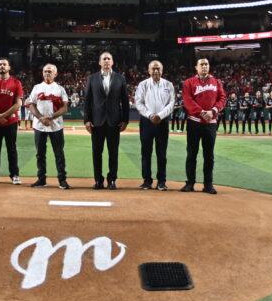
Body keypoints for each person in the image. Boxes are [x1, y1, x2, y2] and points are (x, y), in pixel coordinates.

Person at [82, 51, 130, 189]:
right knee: (96, 153)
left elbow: (125, 102)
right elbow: (87, 101)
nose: (107, 61)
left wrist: (125, 120)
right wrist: (87, 120)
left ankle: (112, 179)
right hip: (97, 122)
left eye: (109, 58)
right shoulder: (92, 78)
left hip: (114, 122)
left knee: (113, 153)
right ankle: (98, 180)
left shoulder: (120, 78)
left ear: (113, 62)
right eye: (104, 59)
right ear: (99, 62)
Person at [181, 57, 226, 194]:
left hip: (210, 123)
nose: (204, 66)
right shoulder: (189, 82)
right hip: (194, 122)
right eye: (202, 64)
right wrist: (201, 112)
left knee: (209, 155)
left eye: (206, 64)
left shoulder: (216, 82)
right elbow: (187, 101)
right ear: (196, 67)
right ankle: (190, 183)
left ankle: (208, 184)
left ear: (209, 66)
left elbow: (222, 98)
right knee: (191, 154)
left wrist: (213, 111)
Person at [26, 63, 70, 189]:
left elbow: (65, 108)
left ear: (55, 74)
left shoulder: (60, 89)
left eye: (50, 71)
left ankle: (62, 180)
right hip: (39, 126)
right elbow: (31, 105)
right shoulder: (37, 87)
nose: (47, 73)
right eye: (45, 71)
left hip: (56, 126)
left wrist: (50, 118)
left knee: (59, 154)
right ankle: (41, 179)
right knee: (40, 154)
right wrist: (41, 118)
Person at [134, 60, 175, 190]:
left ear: (162, 71)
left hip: (162, 122)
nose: (156, 71)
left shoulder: (168, 85)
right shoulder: (143, 84)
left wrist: (160, 115)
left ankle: (161, 181)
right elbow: (138, 103)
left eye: (158, 68)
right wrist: (151, 115)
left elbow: (171, 103)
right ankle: (147, 181)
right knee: (146, 153)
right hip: (147, 121)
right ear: (149, 70)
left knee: (161, 154)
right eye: (153, 69)